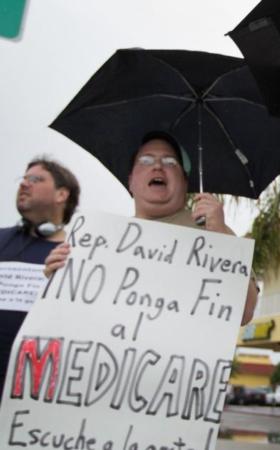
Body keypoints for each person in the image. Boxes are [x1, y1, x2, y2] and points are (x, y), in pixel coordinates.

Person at [45, 131, 259, 325]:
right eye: (146, 160)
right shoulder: (99, 243)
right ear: (130, 181)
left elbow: (245, 312)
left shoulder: (213, 230)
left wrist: (222, 239)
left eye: (170, 162)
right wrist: (59, 279)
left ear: (185, 182)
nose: (157, 166)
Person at [0, 157, 80, 399]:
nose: (24, 184)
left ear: (61, 194)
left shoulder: (76, 254)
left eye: (35, 179)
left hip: (33, 392)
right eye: (23, 178)